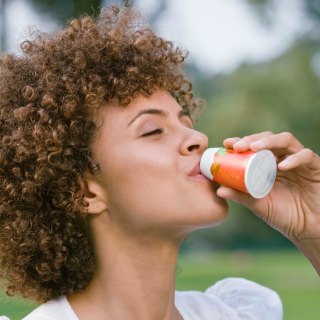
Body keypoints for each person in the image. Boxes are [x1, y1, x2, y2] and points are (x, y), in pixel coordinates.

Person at [0, 5, 319, 320]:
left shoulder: (231, 314)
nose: (200, 139)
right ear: (84, 193)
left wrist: (313, 228)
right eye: (153, 130)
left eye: (187, 123)